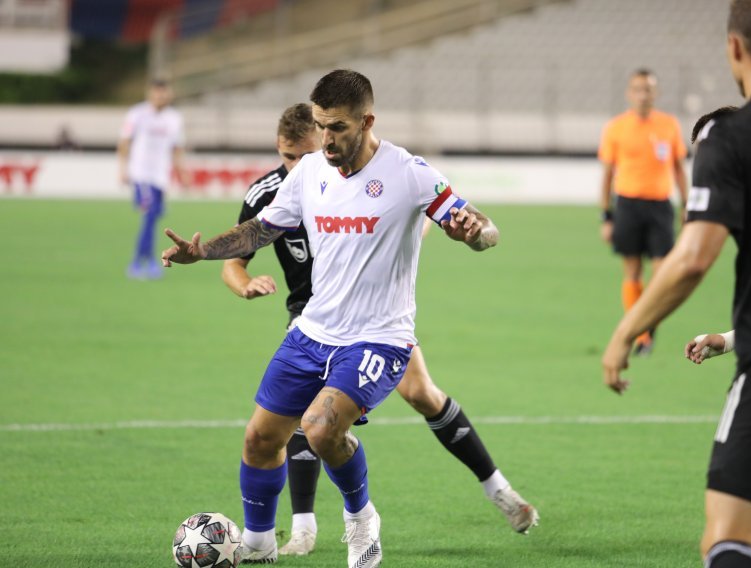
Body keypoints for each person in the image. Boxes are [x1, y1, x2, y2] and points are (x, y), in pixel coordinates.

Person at [162, 69, 516, 568]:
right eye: (321, 126)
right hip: (313, 330)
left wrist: (472, 231)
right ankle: (260, 544)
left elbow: (486, 231)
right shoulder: (309, 172)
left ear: (367, 120)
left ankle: (361, 520)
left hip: (379, 338)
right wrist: (205, 252)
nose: (326, 139)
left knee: (322, 427)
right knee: (260, 439)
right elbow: (262, 230)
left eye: (338, 128)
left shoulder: (409, 172)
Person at [602, 1, 751, 565]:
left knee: (730, 540)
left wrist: (627, 332)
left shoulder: (731, 131)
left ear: (735, 48)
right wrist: (728, 337)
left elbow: (693, 259)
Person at [598, 68, 689, 355]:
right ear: (629, 93)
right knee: (633, 271)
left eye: (648, 89)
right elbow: (607, 174)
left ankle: (647, 323)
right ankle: (642, 337)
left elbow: (678, 168)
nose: (642, 94)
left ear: (655, 93)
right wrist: (607, 215)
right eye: (638, 89)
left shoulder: (669, 125)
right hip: (628, 204)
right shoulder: (616, 127)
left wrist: (687, 204)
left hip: (660, 206)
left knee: (662, 273)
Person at [118, 78, 187, 280]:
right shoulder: (137, 114)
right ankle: (140, 261)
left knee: (154, 216)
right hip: (141, 175)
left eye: (164, 93)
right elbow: (124, 141)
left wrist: (182, 171)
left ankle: (144, 260)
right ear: (150, 94)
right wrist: (122, 169)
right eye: (157, 93)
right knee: (149, 216)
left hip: (160, 177)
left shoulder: (174, 118)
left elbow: (176, 147)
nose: (161, 96)